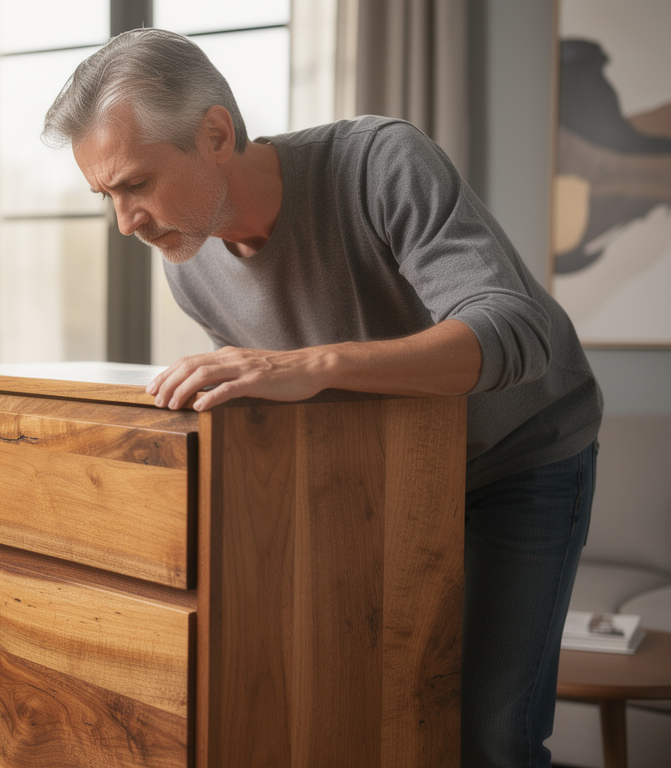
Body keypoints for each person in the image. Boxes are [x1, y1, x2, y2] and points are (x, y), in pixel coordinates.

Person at [42, 28, 602, 768]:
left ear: (215, 133)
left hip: (519, 456)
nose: (126, 222)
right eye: (108, 195)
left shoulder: (377, 163)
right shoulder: (189, 264)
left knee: (491, 736)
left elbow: (514, 332)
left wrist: (312, 364)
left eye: (136, 183)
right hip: (387, 476)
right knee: (372, 714)